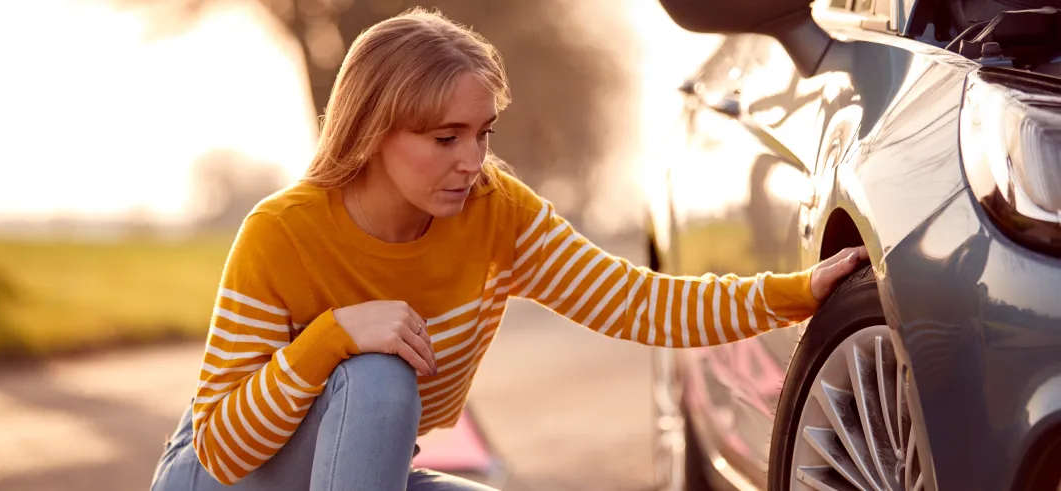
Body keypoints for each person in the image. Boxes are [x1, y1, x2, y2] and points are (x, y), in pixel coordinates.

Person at [149, 7, 867, 491]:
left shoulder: (497, 214)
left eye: (482, 132)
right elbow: (221, 449)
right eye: (445, 139)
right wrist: (333, 337)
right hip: (221, 477)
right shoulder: (284, 232)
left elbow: (641, 303)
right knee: (376, 374)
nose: (473, 160)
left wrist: (801, 291)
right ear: (373, 131)